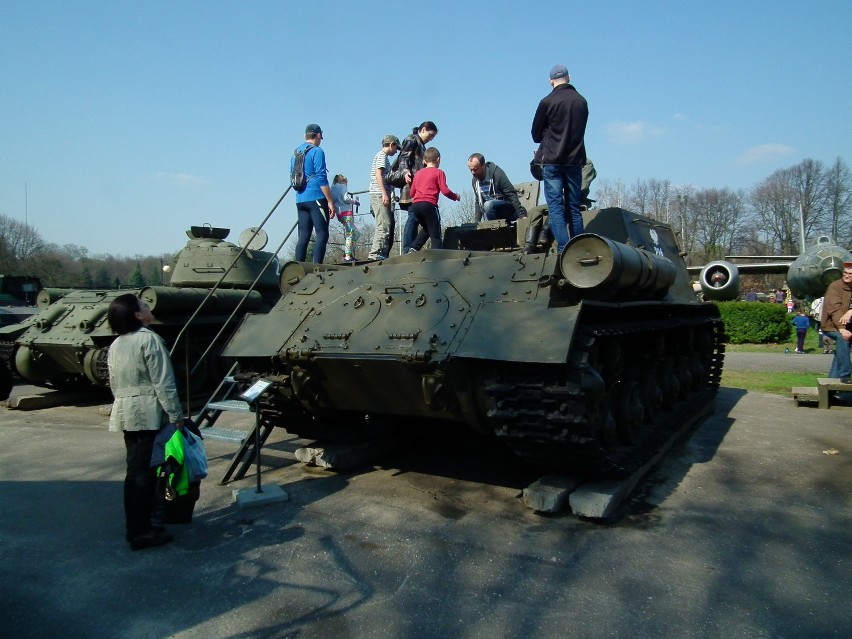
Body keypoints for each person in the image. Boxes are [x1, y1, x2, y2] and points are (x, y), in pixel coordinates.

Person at [107, 293, 189, 551]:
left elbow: (113, 383)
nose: (148, 306)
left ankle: (136, 527)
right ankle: (142, 531)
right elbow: (164, 383)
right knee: (145, 475)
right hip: (148, 414)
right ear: (137, 315)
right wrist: (176, 416)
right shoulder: (150, 340)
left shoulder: (117, 343)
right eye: (143, 305)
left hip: (126, 412)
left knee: (134, 473)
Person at [531, 64, 589, 253]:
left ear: (551, 81)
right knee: (573, 206)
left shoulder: (547, 102)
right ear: (569, 77)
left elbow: (535, 135)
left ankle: (565, 249)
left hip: (552, 161)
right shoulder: (581, 102)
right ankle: (579, 248)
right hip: (574, 160)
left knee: (555, 207)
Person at [523, 157, 597, 254]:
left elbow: (581, 188)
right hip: (557, 200)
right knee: (534, 211)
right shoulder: (556, 160)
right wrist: (535, 162)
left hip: (576, 200)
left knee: (560, 207)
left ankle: (544, 233)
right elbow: (539, 176)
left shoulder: (585, 163)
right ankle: (530, 245)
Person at [291, 123, 336, 263]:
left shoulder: (295, 153)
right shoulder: (317, 151)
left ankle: (298, 268)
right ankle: (317, 268)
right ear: (318, 135)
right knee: (322, 233)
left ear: (305, 136)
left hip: (300, 198)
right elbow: (322, 177)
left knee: (303, 236)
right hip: (316, 197)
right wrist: (330, 201)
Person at [408, 147, 460, 251]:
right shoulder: (438, 172)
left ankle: (413, 248)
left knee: (428, 228)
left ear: (425, 160)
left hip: (416, 206)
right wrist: (455, 196)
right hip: (429, 205)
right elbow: (445, 191)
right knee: (436, 233)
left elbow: (412, 193)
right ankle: (437, 255)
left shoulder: (418, 174)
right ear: (438, 159)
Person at [398, 122, 438, 253]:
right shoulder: (411, 139)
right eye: (430, 135)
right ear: (424, 129)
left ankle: (413, 248)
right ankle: (408, 248)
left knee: (419, 219)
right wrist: (405, 172)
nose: (431, 138)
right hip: (411, 183)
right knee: (413, 217)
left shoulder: (422, 145)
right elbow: (403, 157)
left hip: (419, 185)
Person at [367, 135, 401, 260]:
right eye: (396, 148)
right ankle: (375, 254)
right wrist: (384, 193)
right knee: (383, 224)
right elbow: (378, 174)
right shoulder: (381, 156)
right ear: (391, 144)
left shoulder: (383, 157)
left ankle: (379, 252)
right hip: (379, 194)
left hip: (378, 193)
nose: (396, 151)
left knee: (385, 224)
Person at [467, 153, 528, 223]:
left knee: (488, 205)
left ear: (483, 165)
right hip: (490, 214)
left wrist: (522, 215)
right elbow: (478, 200)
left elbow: (511, 194)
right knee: (487, 206)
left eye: (475, 169)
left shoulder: (497, 174)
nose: (472, 173)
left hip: (506, 209)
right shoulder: (475, 180)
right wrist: (476, 222)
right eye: (470, 170)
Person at [821, 262, 852, 383]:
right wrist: (842, 328)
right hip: (832, 326)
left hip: (849, 326)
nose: (847, 275)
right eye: (845, 273)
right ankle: (845, 374)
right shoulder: (835, 286)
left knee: (840, 353)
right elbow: (835, 309)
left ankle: (831, 384)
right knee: (843, 339)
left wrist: (851, 311)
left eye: (850, 273)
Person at [330, 174, 360, 262]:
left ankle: (348, 252)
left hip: (339, 214)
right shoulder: (342, 186)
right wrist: (354, 201)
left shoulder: (332, 189)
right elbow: (345, 198)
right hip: (346, 212)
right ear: (343, 181)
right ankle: (347, 256)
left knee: (355, 233)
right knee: (351, 233)